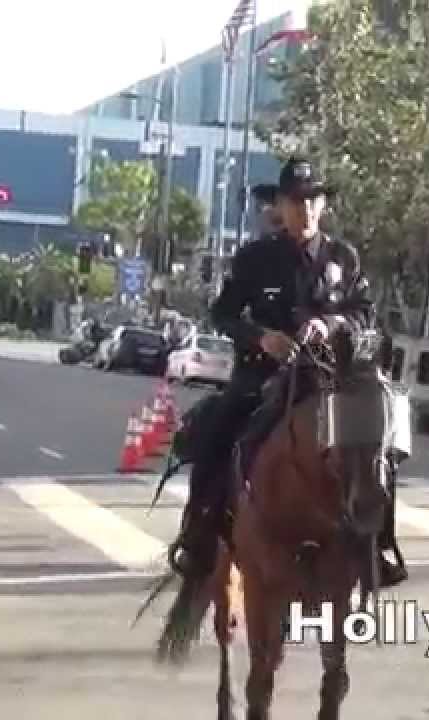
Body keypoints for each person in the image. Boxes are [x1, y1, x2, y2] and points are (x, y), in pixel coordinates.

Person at [166, 157, 408, 589]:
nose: (305, 209)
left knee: (378, 445)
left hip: (330, 379)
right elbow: (223, 314)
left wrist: (331, 325)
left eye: (313, 200)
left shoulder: (343, 258)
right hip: (264, 376)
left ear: (323, 206)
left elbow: (366, 316)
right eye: (296, 201)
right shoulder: (256, 257)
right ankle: (198, 532)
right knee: (217, 429)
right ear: (279, 206)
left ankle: (380, 543)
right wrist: (260, 336)